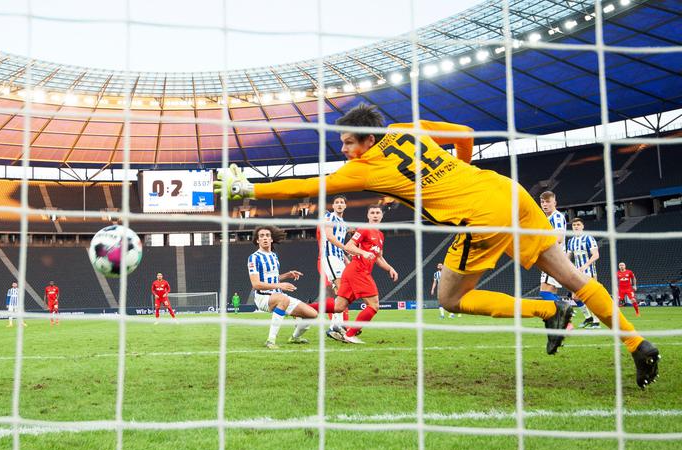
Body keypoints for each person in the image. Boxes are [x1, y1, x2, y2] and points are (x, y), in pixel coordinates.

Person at [217, 103, 660, 388]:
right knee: (575, 278)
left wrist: (249, 191)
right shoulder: (406, 130)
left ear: (367, 140)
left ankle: (548, 310)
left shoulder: (364, 169)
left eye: (349, 142)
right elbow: (464, 133)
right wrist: (455, 176)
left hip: (482, 217)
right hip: (509, 192)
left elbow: (309, 186)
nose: (345, 148)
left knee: (450, 297)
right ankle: (638, 345)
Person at [248, 226, 339, 349]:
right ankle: (271, 341)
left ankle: (295, 337)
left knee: (312, 314)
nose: (265, 238)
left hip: (278, 296)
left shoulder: (274, 256)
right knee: (283, 299)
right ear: (257, 240)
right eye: (262, 236)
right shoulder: (254, 258)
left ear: (271, 239)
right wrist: (280, 286)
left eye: (267, 236)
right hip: (263, 298)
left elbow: (273, 278)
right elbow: (256, 284)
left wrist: (287, 275)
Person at [324, 204, 398, 344]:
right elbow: (349, 246)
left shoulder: (380, 235)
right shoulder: (364, 229)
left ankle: (304, 308)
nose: (375, 215)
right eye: (372, 213)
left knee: (339, 306)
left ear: (381, 216)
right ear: (368, 216)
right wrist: (364, 252)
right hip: (358, 271)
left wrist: (389, 268)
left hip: (355, 271)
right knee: (374, 305)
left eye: (378, 213)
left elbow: (379, 258)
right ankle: (350, 334)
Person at [317, 195, 350, 333]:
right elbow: (329, 236)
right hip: (330, 257)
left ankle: (338, 324)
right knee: (340, 290)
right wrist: (346, 248)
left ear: (345, 206)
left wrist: (346, 259)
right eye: (337, 202)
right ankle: (334, 326)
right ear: (333, 206)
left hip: (338, 258)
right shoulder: (329, 218)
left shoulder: (343, 223)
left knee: (343, 292)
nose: (339, 204)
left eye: (342, 202)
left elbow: (339, 244)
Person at [566, 218, 601, 329]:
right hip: (577, 272)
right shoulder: (571, 241)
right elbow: (567, 258)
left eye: (578, 224)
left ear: (582, 226)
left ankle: (596, 320)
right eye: (574, 225)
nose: (576, 226)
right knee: (575, 297)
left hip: (589, 271)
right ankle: (588, 317)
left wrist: (585, 266)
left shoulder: (589, 238)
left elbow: (596, 255)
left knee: (591, 296)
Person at [538, 191, 566, 302]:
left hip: (554, 258)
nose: (545, 204)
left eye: (548, 202)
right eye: (542, 202)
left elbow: (559, 238)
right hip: (552, 258)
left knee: (545, 293)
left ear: (554, 203)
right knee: (550, 293)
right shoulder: (547, 219)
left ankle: (566, 314)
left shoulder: (557, 217)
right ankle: (563, 319)